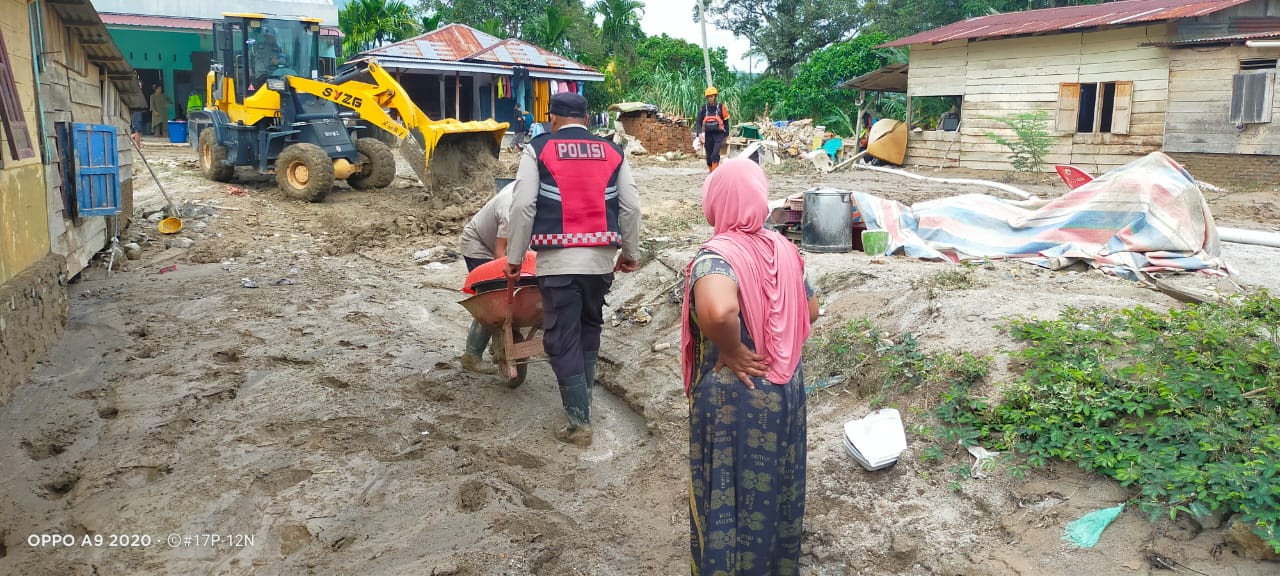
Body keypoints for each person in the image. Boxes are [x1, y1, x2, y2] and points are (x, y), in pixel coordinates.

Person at [681, 157, 818, 575]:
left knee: (731, 493)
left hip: (734, 399)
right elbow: (811, 309)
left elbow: (719, 311)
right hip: (787, 393)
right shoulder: (784, 249)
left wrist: (734, 347)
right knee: (776, 489)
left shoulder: (716, 258)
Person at [504, 92, 642, 447]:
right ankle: (584, 405)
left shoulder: (538, 149)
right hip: (600, 264)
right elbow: (630, 207)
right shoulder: (613, 152)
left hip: (558, 263)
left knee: (561, 338)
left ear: (553, 119)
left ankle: (579, 423)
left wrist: (515, 258)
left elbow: (522, 208)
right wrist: (630, 252)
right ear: (586, 118)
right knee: (588, 328)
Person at [458, 182, 516, 374]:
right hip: (478, 243)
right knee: (492, 300)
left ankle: (499, 343)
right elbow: (500, 253)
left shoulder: (534, 193)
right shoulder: (510, 207)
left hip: (502, 243)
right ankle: (472, 356)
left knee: (508, 296)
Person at [694, 86, 730, 173]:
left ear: (715, 96)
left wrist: (726, 135)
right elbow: (698, 122)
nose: (710, 98)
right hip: (708, 134)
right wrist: (699, 134)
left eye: (712, 96)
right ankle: (711, 173)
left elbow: (726, 122)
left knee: (715, 154)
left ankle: (714, 174)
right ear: (707, 97)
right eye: (708, 96)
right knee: (709, 157)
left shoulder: (722, 107)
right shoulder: (703, 108)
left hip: (719, 134)